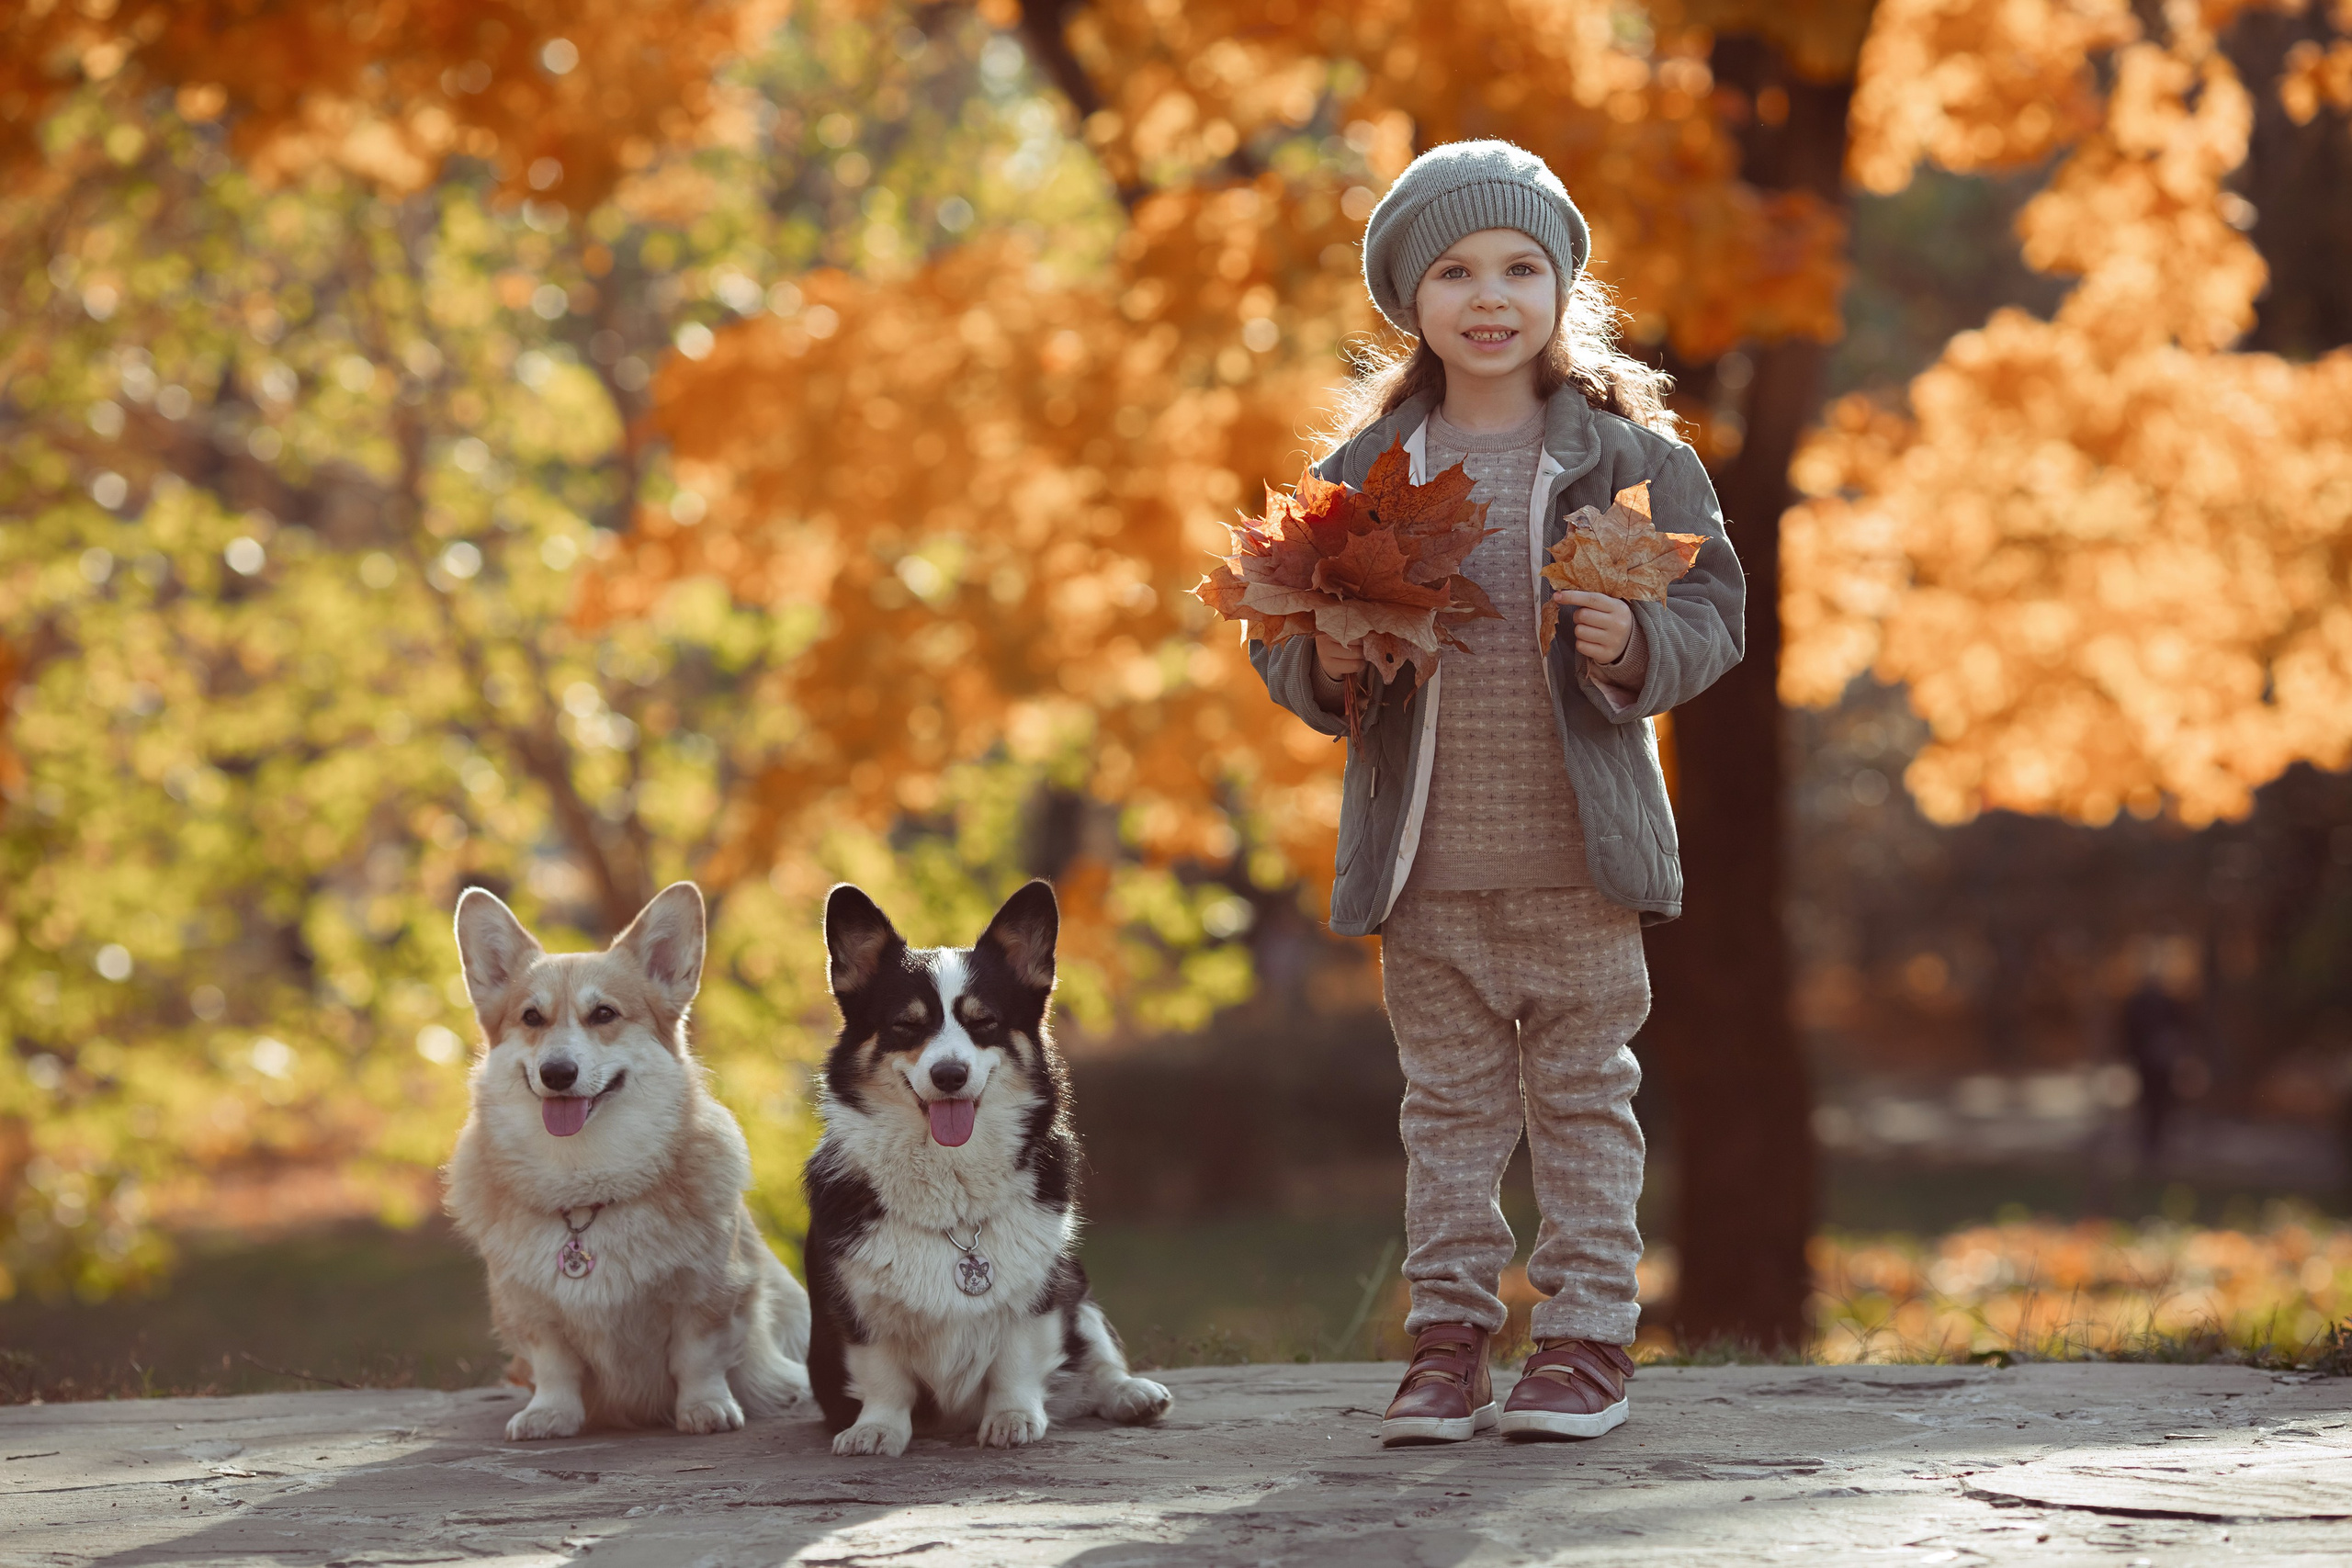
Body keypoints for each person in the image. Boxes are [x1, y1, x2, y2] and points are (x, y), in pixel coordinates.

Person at [1248, 141, 1744, 1444]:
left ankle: (1584, 1342)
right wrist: (1328, 664)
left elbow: (1714, 612)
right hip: (1424, 864)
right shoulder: (1367, 471)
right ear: (1411, 299)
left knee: (1583, 1099)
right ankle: (1450, 1340)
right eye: (1456, 271)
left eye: (1521, 267)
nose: (1490, 296)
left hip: (1583, 857)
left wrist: (1636, 648)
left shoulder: (1629, 461)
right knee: (1450, 1112)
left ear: (1562, 287)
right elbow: (1287, 635)